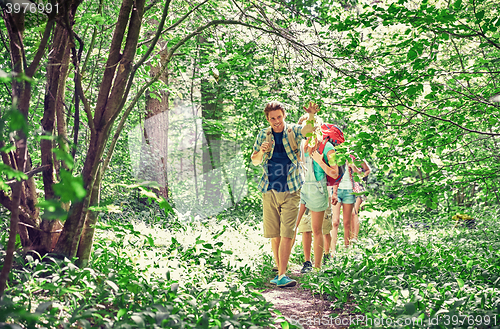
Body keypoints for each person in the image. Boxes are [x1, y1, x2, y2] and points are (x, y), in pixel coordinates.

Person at [251, 101, 318, 287]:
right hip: (269, 189)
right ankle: (280, 271)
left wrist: (311, 115)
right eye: (272, 118)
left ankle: (282, 274)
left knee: (287, 232)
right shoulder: (263, 135)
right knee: (275, 234)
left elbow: (308, 132)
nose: (276, 121)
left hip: (291, 189)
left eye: (279, 117)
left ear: (284, 116)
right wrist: (261, 151)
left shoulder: (293, 131)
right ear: (267, 119)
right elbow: (255, 161)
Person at [294, 125, 338, 270]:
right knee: (295, 227)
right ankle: (300, 264)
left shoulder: (327, 147)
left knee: (317, 230)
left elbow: (334, 173)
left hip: (318, 191)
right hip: (302, 189)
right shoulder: (302, 145)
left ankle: (317, 268)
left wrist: (320, 161)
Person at [296, 207, 332, 273]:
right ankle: (307, 262)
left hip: (322, 200)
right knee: (306, 229)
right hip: (305, 200)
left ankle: (326, 255)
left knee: (325, 230)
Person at [349, 158, 370, 242]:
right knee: (349, 214)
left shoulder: (358, 158)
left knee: (354, 213)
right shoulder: (342, 156)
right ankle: (350, 238)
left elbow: (368, 170)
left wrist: (360, 175)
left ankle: (355, 237)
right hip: (347, 187)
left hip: (358, 188)